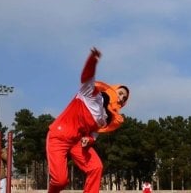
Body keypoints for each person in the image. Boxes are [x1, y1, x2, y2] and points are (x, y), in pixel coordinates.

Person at [46, 47, 129, 193]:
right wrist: (93, 60)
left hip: (77, 142)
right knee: (60, 180)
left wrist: (88, 140)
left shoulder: (105, 119)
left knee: (96, 167)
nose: (122, 98)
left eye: (125, 98)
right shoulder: (91, 94)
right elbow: (87, 76)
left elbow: (93, 135)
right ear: (112, 90)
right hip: (59, 136)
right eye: (121, 93)